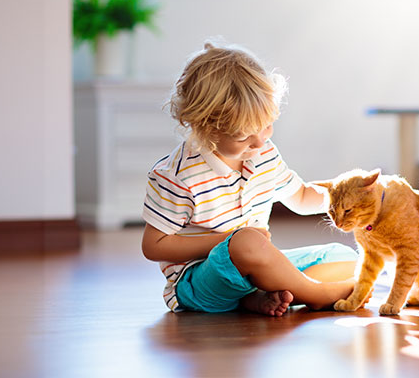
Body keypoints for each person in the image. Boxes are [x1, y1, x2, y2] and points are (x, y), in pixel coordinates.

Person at [141, 41, 357, 316]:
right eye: (244, 136)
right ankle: (316, 294)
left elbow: (301, 197)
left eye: (266, 126)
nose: (260, 141)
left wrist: (344, 195)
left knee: (345, 257)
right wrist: (228, 239)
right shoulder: (178, 175)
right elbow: (153, 246)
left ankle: (258, 296)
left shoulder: (264, 154)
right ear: (205, 128)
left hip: (253, 266)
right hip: (200, 280)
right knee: (246, 244)